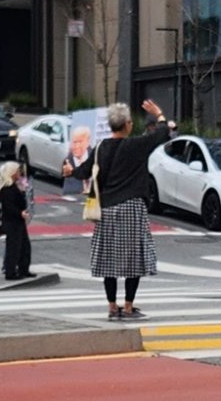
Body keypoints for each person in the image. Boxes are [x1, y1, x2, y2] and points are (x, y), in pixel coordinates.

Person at [68, 101, 175, 322]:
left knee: (109, 259)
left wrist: (71, 171)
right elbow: (162, 134)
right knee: (133, 259)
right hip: (132, 207)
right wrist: (159, 114)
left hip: (106, 209)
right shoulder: (136, 145)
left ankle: (111, 307)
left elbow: (85, 171)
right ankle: (128, 307)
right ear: (127, 124)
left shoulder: (100, 148)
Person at [0, 161, 33, 280]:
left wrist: (22, 191)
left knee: (24, 246)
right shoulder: (7, 189)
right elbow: (8, 206)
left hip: (17, 221)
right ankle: (10, 272)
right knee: (14, 247)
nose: (19, 173)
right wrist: (20, 212)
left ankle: (23, 269)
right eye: (17, 171)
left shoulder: (14, 186)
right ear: (12, 173)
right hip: (11, 222)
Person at [62, 128, 92, 196]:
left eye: (80, 142)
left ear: (87, 142)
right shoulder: (68, 162)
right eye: (74, 142)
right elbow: (68, 190)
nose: (77, 146)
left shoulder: (95, 157)